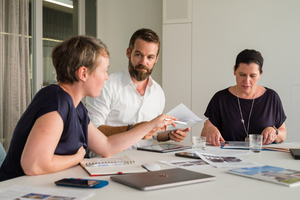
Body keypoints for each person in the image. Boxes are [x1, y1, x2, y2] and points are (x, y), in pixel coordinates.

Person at [0, 35, 178, 182]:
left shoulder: (76, 107)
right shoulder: (56, 101)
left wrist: (150, 125)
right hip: (17, 190)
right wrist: (77, 158)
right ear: (83, 73)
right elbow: (33, 165)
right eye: (104, 71)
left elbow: (106, 146)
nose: (107, 78)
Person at [86, 28, 189, 150]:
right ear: (129, 53)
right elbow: (93, 130)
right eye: (139, 55)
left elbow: (153, 134)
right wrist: (133, 129)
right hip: (110, 160)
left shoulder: (158, 92)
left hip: (145, 160)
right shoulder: (106, 85)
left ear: (156, 58)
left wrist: (169, 135)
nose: (143, 62)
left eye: (150, 57)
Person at [201, 49, 287, 146]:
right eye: (242, 75)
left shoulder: (271, 97)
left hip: (263, 156)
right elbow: (204, 134)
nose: (246, 81)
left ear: (260, 74)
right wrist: (210, 130)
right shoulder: (220, 98)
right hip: (229, 157)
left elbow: (283, 134)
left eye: (253, 76)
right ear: (234, 70)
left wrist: (274, 132)